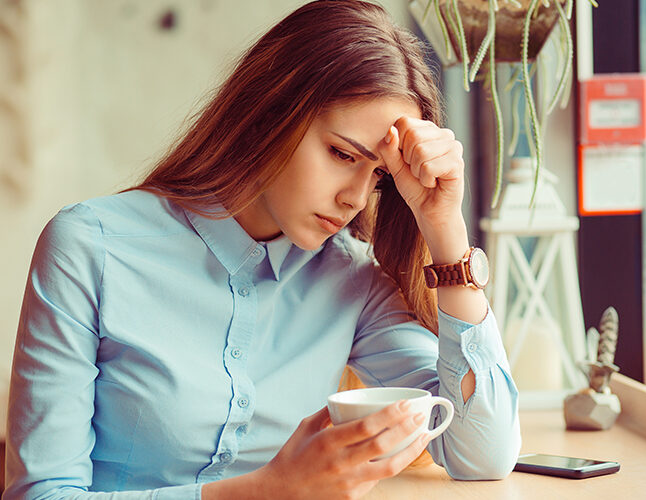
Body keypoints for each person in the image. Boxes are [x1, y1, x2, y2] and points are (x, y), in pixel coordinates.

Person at [3, 1, 521, 499]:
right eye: (342, 153)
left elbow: (481, 454)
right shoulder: (89, 247)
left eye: (380, 176)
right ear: (270, 111)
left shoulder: (352, 279)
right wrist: (266, 494)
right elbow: (42, 495)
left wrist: (445, 226)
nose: (355, 198)